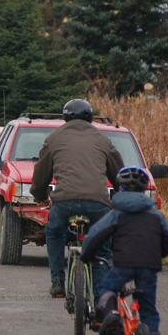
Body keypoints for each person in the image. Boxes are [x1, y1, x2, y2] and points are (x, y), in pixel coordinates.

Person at [81, 166, 168, 335]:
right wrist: (156, 256)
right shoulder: (156, 215)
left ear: (120, 189)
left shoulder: (117, 213)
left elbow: (96, 236)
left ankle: (112, 314)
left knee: (107, 288)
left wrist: (86, 255)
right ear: (144, 191)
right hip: (149, 267)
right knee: (148, 308)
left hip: (123, 265)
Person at [30, 99, 124, 299]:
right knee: (102, 244)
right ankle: (101, 295)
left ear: (65, 117)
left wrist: (41, 196)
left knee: (54, 232)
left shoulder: (54, 138)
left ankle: (57, 282)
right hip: (98, 203)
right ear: (90, 116)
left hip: (64, 201)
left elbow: (41, 173)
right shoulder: (102, 139)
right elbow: (118, 173)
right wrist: (119, 194)